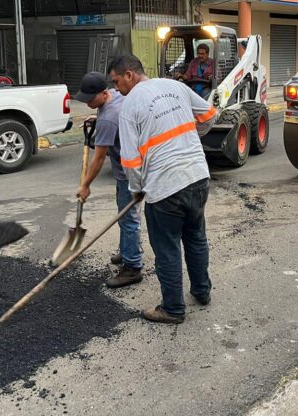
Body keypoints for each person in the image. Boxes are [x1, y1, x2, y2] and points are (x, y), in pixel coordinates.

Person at [109, 54, 217, 324]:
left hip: (165, 187)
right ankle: (202, 292)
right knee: (195, 236)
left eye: (116, 81)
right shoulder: (175, 86)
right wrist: (189, 139)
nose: (116, 88)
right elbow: (209, 115)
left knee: (167, 247)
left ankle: (172, 309)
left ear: (130, 75)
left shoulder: (130, 104)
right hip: (198, 176)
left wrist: (136, 189)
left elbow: (131, 160)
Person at [74, 71, 144, 288]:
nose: (87, 104)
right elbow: (112, 112)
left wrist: (85, 185)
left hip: (128, 171)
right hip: (137, 163)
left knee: (127, 218)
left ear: (104, 93)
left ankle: (133, 266)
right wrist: (97, 115)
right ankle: (126, 252)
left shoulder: (107, 120)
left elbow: (99, 158)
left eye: (90, 100)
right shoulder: (117, 94)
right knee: (125, 214)